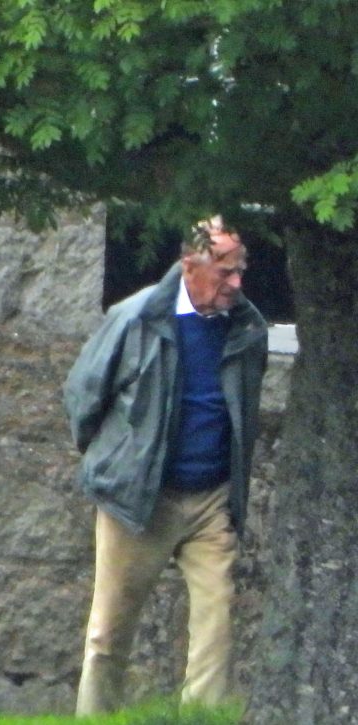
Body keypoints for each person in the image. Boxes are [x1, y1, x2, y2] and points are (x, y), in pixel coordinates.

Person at [63, 216, 268, 714]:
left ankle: (200, 722)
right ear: (188, 266)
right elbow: (83, 398)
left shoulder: (248, 328)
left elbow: (243, 411)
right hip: (140, 499)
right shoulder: (136, 318)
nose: (235, 284)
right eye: (224, 271)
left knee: (216, 629)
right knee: (109, 634)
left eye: (240, 270)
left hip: (212, 498)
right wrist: (117, 463)